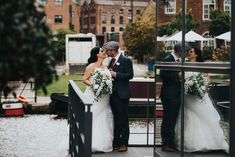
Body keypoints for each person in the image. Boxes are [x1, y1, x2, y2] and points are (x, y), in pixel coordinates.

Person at [174, 47, 229, 153]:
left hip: (200, 95)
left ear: (196, 54)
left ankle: (211, 142)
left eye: (191, 51)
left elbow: (208, 79)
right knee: (189, 115)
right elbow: (181, 77)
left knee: (206, 115)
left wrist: (201, 86)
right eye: (188, 51)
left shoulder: (201, 65)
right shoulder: (185, 63)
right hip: (188, 95)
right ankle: (190, 142)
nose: (189, 53)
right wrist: (187, 84)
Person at [160, 42, 192, 152]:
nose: (187, 53)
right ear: (180, 51)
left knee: (172, 119)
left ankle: (171, 142)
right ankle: (166, 143)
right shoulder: (167, 60)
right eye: (186, 51)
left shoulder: (178, 60)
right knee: (168, 120)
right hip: (169, 95)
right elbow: (163, 75)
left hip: (176, 94)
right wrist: (178, 75)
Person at [102, 41, 134, 152]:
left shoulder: (126, 60)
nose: (106, 52)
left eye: (107, 50)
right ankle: (116, 142)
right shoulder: (111, 61)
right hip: (113, 95)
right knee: (116, 119)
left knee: (123, 119)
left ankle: (124, 143)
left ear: (113, 50)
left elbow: (130, 75)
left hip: (122, 95)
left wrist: (116, 74)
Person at [83, 47, 114, 153]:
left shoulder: (106, 66)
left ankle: (102, 144)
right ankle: (88, 142)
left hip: (105, 97)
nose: (104, 52)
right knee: (93, 115)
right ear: (97, 54)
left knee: (104, 116)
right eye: (102, 51)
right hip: (94, 95)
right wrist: (94, 85)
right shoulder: (91, 66)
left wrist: (107, 85)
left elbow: (108, 79)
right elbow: (85, 80)